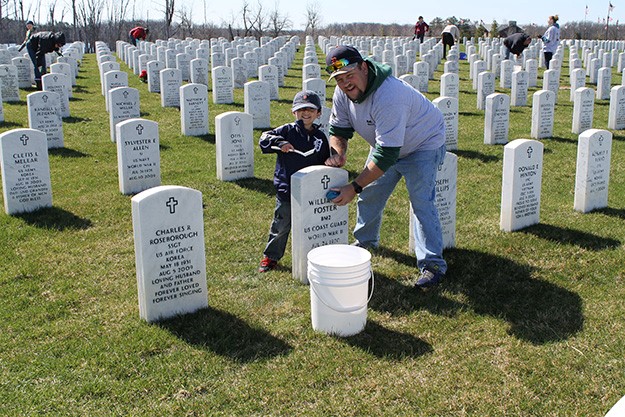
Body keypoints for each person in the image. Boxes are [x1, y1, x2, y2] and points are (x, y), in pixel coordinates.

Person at [324, 45, 447, 291]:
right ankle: (365, 243)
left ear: (364, 67)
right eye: (339, 79)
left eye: (349, 75)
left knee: (421, 201)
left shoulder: (389, 95)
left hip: (423, 143)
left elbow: (388, 154)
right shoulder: (343, 93)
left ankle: (432, 264)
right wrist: (338, 153)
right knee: (371, 195)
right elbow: (339, 130)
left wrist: (354, 186)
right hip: (386, 144)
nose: (345, 83)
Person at [258, 91, 331, 273]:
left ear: (318, 113)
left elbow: (324, 160)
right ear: (293, 112)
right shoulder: (287, 131)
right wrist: (280, 143)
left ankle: (314, 255)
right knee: (281, 225)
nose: (305, 113)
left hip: (311, 190)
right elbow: (264, 138)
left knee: (311, 224)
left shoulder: (320, 138)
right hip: (287, 189)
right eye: (301, 110)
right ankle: (271, 256)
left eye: (310, 110)